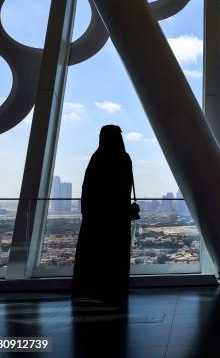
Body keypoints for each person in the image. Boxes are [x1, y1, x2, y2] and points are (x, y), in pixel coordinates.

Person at [71, 125, 133, 310]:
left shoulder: (97, 158)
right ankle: (115, 287)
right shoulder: (124, 158)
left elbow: (87, 188)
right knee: (116, 253)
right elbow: (125, 189)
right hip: (118, 217)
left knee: (93, 253)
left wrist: (88, 212)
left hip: (96, 217)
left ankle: (91, 288)